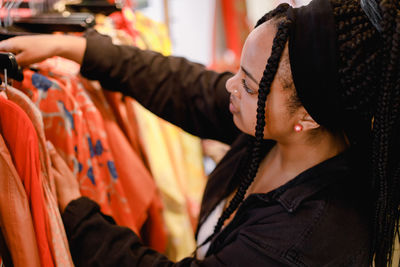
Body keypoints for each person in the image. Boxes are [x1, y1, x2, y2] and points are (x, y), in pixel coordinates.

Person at [0, 0, 398, 265]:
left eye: (247, 83)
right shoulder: (287, 129)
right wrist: (74, 48)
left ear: (308, 117)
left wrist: (75, 211)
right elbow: (185, 87)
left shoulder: (304, 240)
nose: (229, 86)